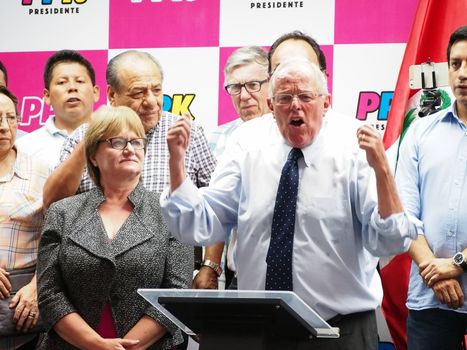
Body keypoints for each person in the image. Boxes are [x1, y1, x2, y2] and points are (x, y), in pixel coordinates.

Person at [161, 58, 416, 350]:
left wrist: (383, 171)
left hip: (339, 331)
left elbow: (389, 241)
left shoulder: (354, 142)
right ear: (271, 106)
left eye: (306, 97)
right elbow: (202, 225)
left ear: (325, 103)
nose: (296, 106)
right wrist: (177, 165)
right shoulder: (247, 142)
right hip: (259, 329)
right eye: (284, 98)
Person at [41, 50, 220, 292]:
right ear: (112, 95)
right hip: (92, 277)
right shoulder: (83, 137)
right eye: (138, 93)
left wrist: (210, 266)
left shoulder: (185, 131)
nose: (151, 101)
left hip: (169, 276)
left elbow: (217, 206)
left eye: (156, 90)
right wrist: (93, 135)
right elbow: (53, 204)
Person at [37, 105, 192, 350]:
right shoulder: (62, 212)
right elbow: (49, 294)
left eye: (136, 142)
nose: (130, 149)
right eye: (117, 142)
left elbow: (177, 291)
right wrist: (95, 344)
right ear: (93, 156)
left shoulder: (171, 210)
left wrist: (129, 346)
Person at [395, 25, 467, 350]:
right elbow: (403, 215)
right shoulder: (421, 132)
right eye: (455, 64)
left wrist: (456, 264)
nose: (462, 74)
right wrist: (435, 272)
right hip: (430, 299)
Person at [209, 46, 270, 289]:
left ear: (271, 84)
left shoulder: (295, 135)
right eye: (235, 87)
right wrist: (210, 266)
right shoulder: (217, 138)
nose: (244, 96)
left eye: (253, 85)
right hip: (239, 276)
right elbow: (213, 213)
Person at [0, 86, 49, 349]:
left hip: (23, 312)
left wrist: (36, 286)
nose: (4, 127)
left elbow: (57, 242)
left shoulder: (42, 173)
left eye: (11, 118)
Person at [16, 50, 100, 169]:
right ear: (47, 96)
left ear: (95, 92)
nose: (72, 87)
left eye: (80, 81)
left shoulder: (114, 138)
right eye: (62, 82)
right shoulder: (24, 148)